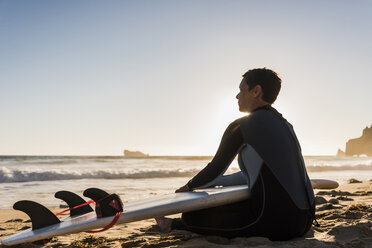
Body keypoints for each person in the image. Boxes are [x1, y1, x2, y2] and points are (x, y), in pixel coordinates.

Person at [156, 68, 315, 241]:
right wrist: (219, 184)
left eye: (241, 90)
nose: (237, 96)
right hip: (304, 220)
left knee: (192, 216)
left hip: (277, 224)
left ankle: (170, 224)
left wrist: (188, 187)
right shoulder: (285, 125)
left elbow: (215, 168)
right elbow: (254, 175)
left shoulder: (243, 125)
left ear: (256, 91)